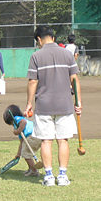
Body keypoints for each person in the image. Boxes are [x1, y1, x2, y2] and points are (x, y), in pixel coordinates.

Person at [25, 25, 82, 186]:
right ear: (53, 38)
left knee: (46, 141)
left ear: (39, 39)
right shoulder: (67, 54)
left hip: (44, 106)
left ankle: (49, 176)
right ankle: (62, 176)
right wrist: (78, 102)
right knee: (63, 140)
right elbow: (75, 79)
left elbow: (32, 81)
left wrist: (29, 103)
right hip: (65, 105)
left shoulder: (36, 56)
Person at [3, 105, 42, 177]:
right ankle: (31, 168)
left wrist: (17, 131)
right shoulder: (20, 126)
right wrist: (18, 154)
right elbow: (22, 142)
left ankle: (34, 171)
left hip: (33, 136)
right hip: (37, 136)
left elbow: (23, 122)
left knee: (26, 154)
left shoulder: (17, 119)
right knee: (25, 152)